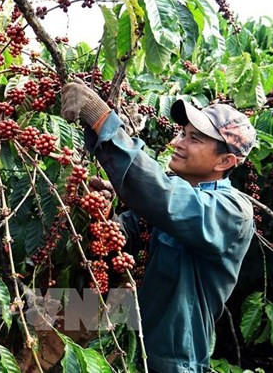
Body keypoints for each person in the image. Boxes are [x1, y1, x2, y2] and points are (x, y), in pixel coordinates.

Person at [60, 80, 256, 373]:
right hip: (126, 342)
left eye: (193, 139)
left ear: (225, 161)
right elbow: (124, 243)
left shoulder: (232, 211)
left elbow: (163, 198)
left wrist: (102, 120)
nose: (177, 143)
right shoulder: (174, 195)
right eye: (182, 134)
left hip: (174, 362)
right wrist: (104, 215)